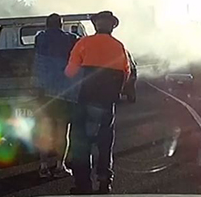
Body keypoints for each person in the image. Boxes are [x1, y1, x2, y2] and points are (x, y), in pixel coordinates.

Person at [65, 10, 131, 194]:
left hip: (84, 101)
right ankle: (104, 182)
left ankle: (83, 184)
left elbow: (70, 73)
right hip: (106, 104)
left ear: (95, 25)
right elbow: (126, 75)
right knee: (104, 144)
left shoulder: (83, 43)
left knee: (80, 143)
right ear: (112, 26)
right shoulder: (119, 47)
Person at [33, 13, 79, 179]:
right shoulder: (71, 38)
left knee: (44, 129)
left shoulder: (40, 38)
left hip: (43, 91)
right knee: (62, 130)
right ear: (61, 24)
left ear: (46, 25)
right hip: (64, 91)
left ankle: (43, 166)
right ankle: (60, 166)